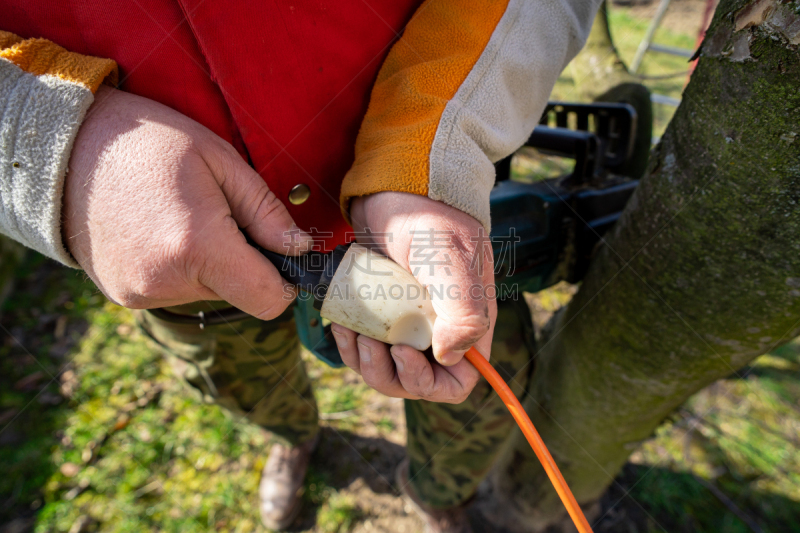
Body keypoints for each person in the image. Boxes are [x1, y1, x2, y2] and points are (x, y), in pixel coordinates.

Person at [0, 1, 601, 531]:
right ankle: (294, 436)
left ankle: (437, 491)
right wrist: (56, 146)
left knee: (467, 378)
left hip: (394, 210)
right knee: (243, 382)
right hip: (171, 251)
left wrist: (433, 155)